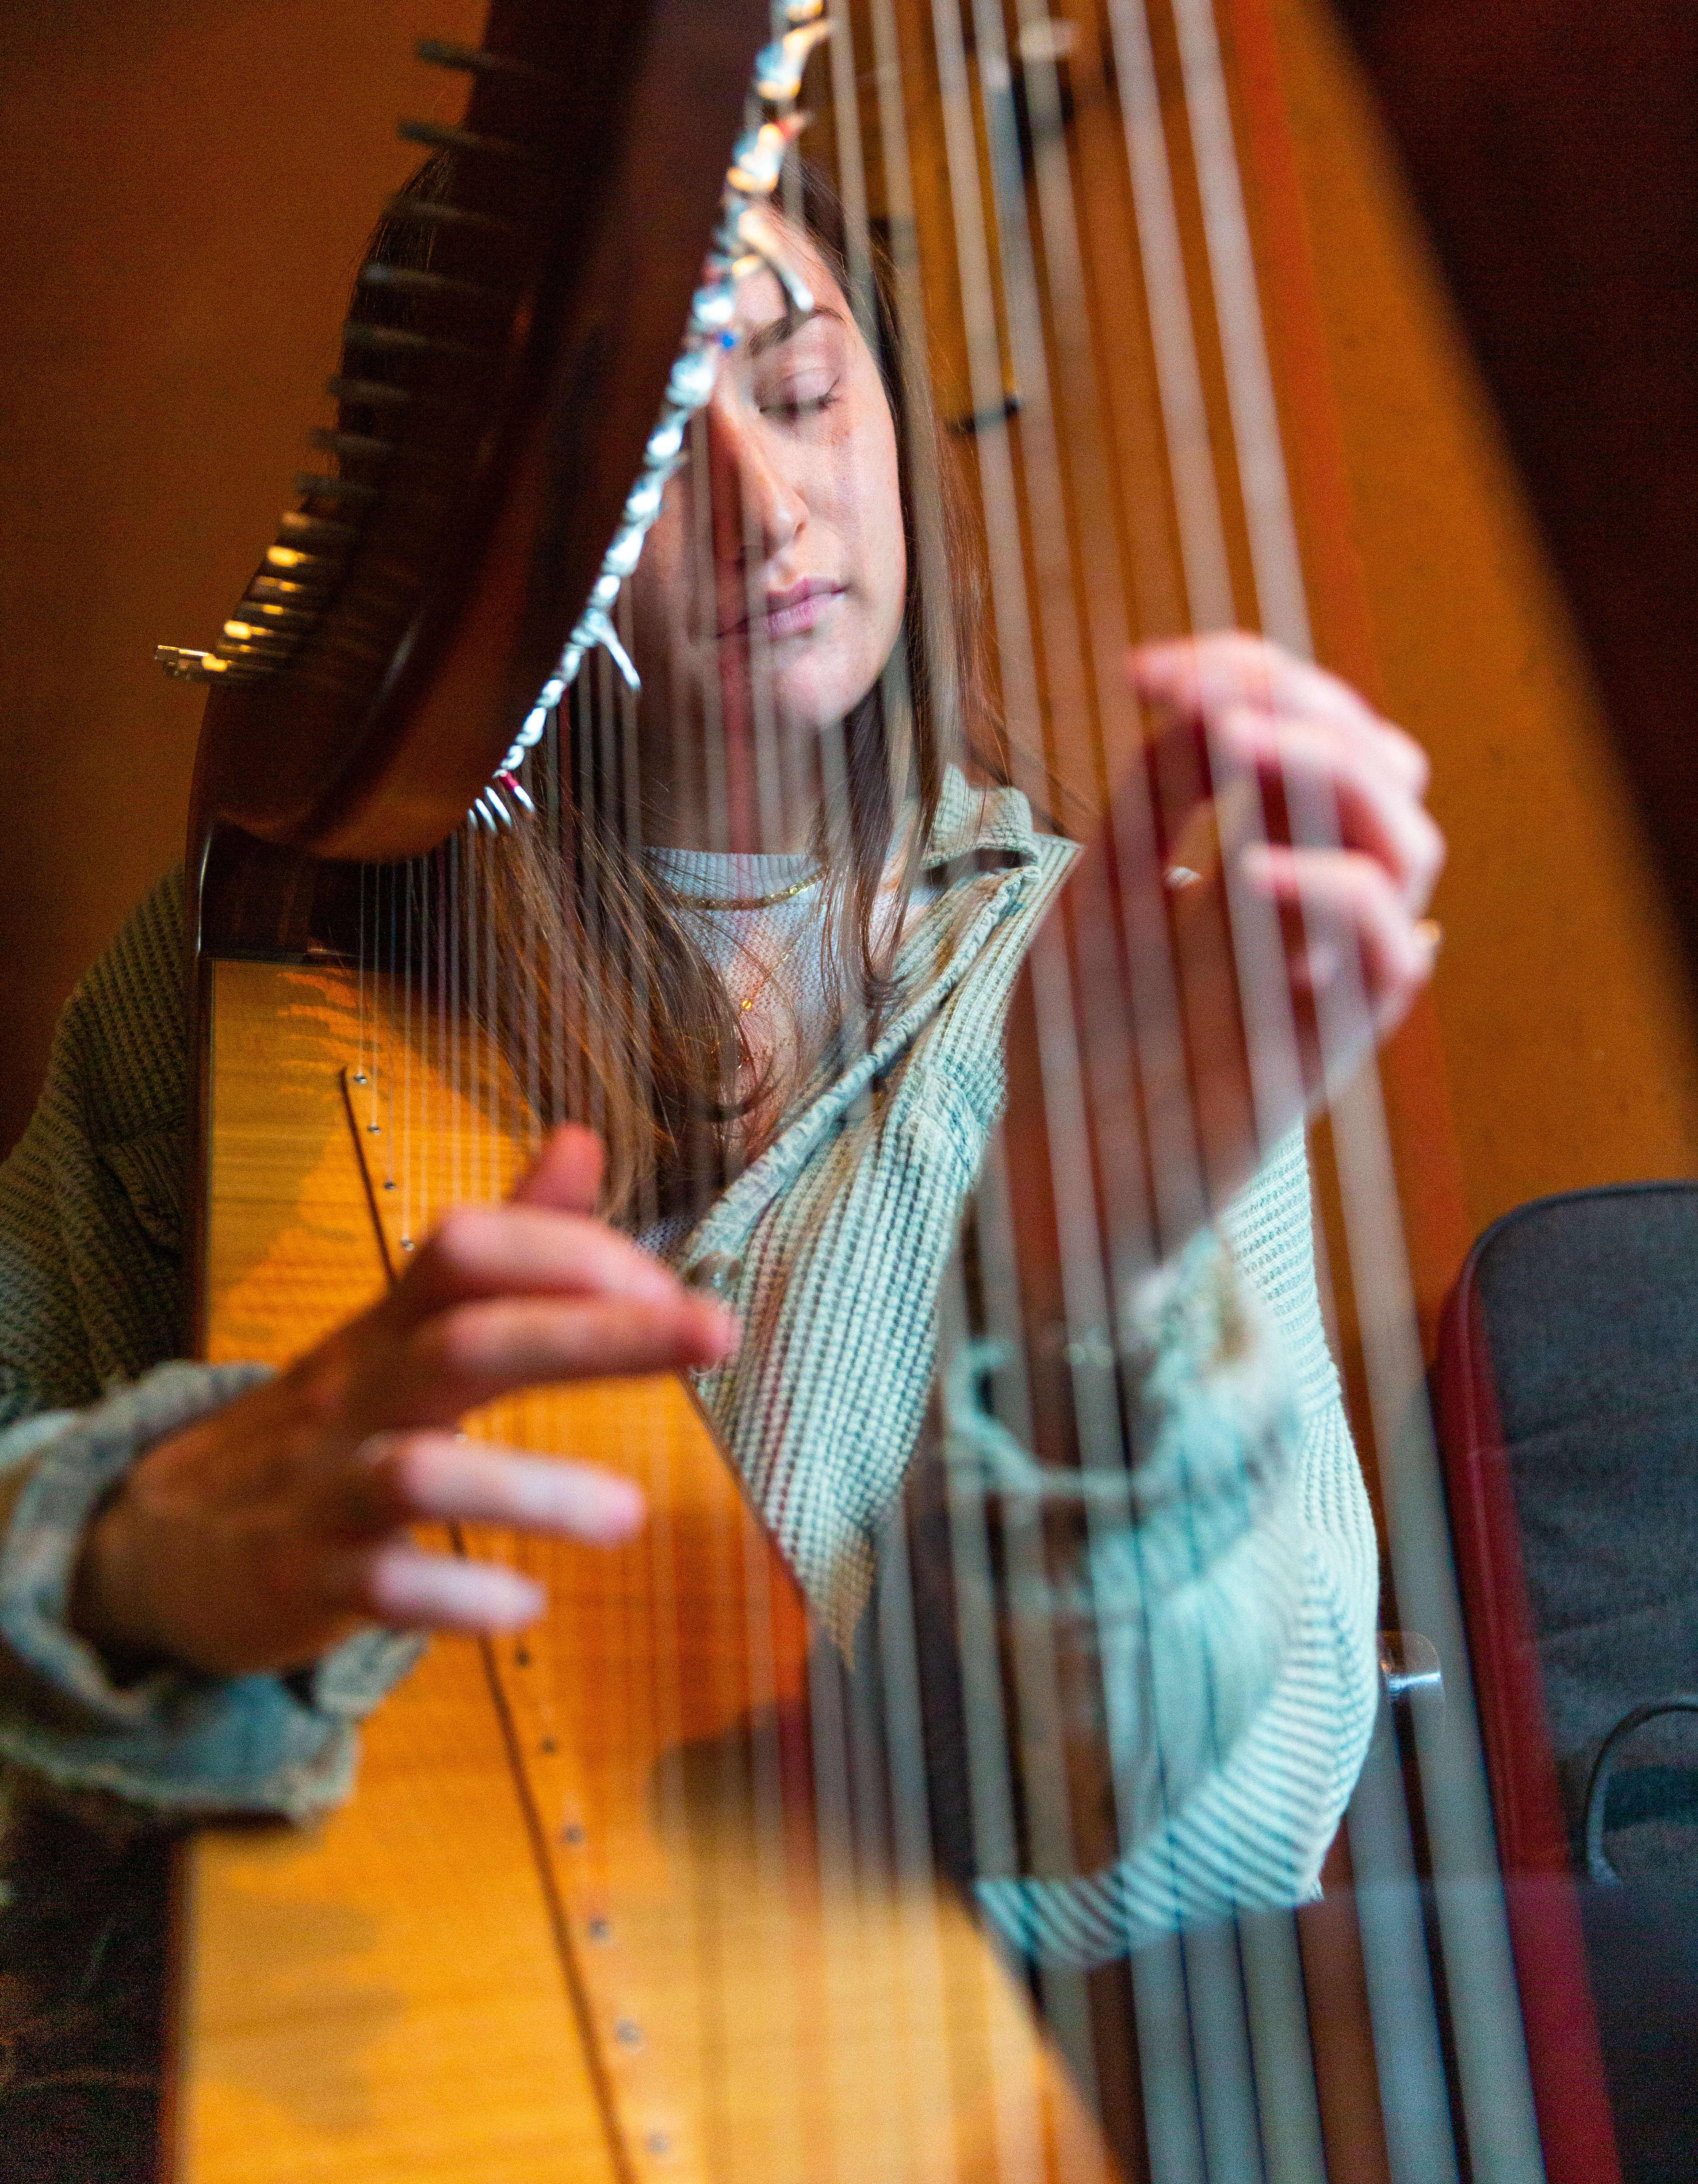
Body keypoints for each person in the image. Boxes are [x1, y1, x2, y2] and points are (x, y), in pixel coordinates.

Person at [0, 187, 1441, 2143]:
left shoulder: (1112, 1001)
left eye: (801, 388)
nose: (767, 509)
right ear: (485, 538)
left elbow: (1221, 1816)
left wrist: (1085, 1310)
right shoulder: (230, 984)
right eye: (649, 453)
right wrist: (140, 1548)